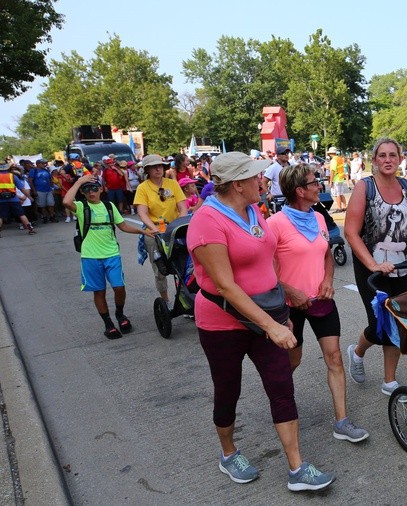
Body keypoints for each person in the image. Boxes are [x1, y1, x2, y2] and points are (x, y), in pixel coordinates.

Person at [187, 151, 335, 491]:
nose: (263, 180)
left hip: (269, 314)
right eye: (256, 176)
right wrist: (270, 325)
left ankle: (297, 468)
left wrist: (282, 305)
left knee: (281, 385)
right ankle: (228, 453)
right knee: (228, 390)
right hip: (223, 322)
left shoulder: (254, 209)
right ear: (238, 184)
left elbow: (268, 260)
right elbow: (225, 285)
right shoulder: (207, 221)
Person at [268, 163, 369, 443]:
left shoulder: (320, 217)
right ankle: (281, 403)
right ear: (300, 190)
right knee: (293, 359)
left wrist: (328, 279)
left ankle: (342, 421)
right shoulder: (275, 224)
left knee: (334, 357)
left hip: (322, 299)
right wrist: (290, 290)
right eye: (314, 183)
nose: (319, 186)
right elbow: (264, 269)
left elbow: (326, 253)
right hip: (290, 305)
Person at [344, 137, 407, 396]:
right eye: (382, 155)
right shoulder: (364, 188)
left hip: (403, 265)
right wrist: (373, 264)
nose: (388, 160)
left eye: (393, 155)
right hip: (372, 269)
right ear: (375, 160)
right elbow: (351, 233)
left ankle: (389, 381)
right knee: (379, 325)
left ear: (401, 159)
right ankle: (357, 352)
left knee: (398, 322)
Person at [63, 174, 151, 339]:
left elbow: (123, 225)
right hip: (90, 256)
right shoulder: (81, 207)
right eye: (87, 190)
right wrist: (79, 181)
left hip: (111, 254)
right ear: (82, 192)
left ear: (101, 189)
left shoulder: (109, 206)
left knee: (119, 287)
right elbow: (66, 202)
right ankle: (108, 323)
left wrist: (142, 231)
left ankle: (120, 314)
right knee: (99, 291)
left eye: (94, 188)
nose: (91, 193)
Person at [134, 154, 188, 306]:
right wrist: (153, 228)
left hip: (175, 228)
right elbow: (142, 212)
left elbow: (182, 206)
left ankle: (185, 296)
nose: (158, 169)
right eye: (153, 167)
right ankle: (166, 300)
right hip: (155, 231)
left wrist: (180, 223)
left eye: (160, 166)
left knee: (184, 265)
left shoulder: (172, 184)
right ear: (147, 170)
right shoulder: (143, 188)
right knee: (160, 268)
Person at [0, 163, 36, 235]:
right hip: (13, 199)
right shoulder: (12, 176)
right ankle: (30, 229)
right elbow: (22, 188)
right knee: (21, 214)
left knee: (0, 216)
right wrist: (29, 197)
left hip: (1, 199)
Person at [29, 158, 57, 223]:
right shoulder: (34, 171)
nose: (45, 164)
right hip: (39, 190)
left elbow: (50, 179)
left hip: (48, 189)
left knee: (51, 203)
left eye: (45, 163)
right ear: (38, 164)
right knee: (42, 205)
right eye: (43, 163)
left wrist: (52, 188)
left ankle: (52, 216)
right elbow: (30, 180)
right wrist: (34, 190)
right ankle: (44, 217)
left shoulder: (46, 170)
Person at [328, 147, 349, 212]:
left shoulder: (333, 160)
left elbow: (332, 171)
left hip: (336, 179)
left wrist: (330, 181)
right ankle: (345, 206)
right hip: (341, 178)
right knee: (341, 193)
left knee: (337, 194)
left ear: (330, 153)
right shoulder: (339, 159)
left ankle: (339, 208)